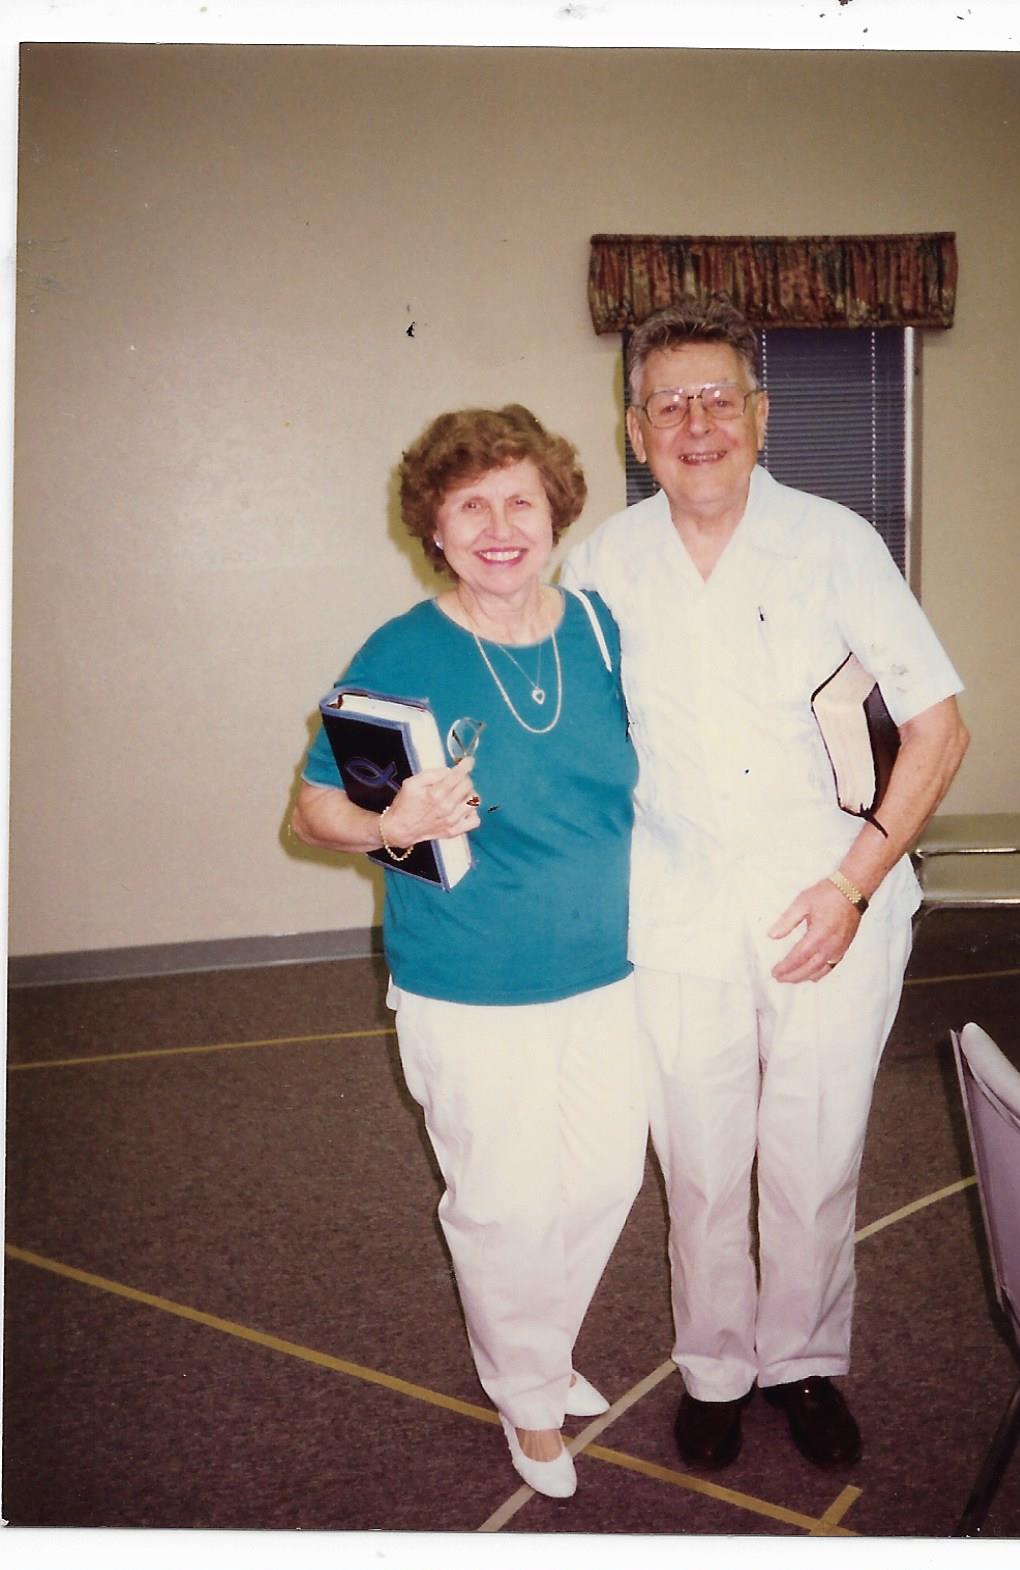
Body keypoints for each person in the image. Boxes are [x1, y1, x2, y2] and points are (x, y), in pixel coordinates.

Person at [562, 296, 969, 1473]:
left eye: (719, 399)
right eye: (670, 403)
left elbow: (939, 728)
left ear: (761, 414)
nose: (698, 425)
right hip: (677, 913)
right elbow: (568, 745)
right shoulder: (602, 565)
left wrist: (852, 883)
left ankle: (800, 1363)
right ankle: (716, 1367)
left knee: (813, 1151)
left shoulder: (837, 541)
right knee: (700, 1158)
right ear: (636, 429)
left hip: (830, 899)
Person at [291, 404, 645, 1499]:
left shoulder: (597, 630)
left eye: (520, 501)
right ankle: (528, 1402)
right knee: (502, 1201)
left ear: (557, 514)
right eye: (471, 506)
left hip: (605, 970)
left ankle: (538, 1348)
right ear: (435, 530)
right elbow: (313, 808)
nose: (501, 526)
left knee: (601, 1180)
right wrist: (388, 823)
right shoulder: (402, 651)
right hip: (469, 977)